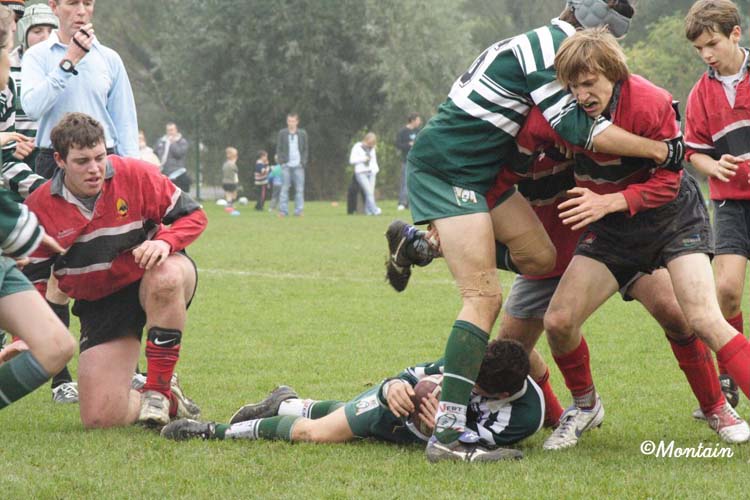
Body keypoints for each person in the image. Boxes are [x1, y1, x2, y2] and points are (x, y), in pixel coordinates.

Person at [384, 0, 686, 463]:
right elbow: (582, 130)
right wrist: (661, 151)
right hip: (451, 169)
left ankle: (421, 246)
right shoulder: (551, 46)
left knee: (540, 258)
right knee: (484, 299)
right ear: (591, 26)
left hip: (482, 174)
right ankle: (447, 436)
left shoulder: (539, 41)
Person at [539, 27, 750, 451]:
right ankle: (585, 406)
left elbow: (669, 183)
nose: (581, 95)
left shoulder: (650, 101)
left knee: (701, 318)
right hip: (612, 227)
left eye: (590, 83)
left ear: (613, 73)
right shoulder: (562, 112)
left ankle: (717, 408)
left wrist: (610, 200)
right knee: (558, 321)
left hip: (672, 217)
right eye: (573, 86)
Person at [23, 112, 207, 429]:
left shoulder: (134, 174)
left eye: (100, 157)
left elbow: (194, 215)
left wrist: (165, 242)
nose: (95, 168)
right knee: (100, 418)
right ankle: (170, 400)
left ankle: (158, 389)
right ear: (60, 161)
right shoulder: (40, 207)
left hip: (149, 276)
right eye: (82, 161)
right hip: (101, 302)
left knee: (165, 276)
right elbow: (33, 282)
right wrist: (22, 336)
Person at [162, 339, 537, 462]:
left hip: (416, 429)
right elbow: (410, 375)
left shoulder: (523, 417)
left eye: (473, 389)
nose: (463, 388)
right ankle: (214, 431)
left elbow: (472, 447)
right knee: (316, 434)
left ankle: (285, 402)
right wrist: (392, 386)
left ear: (502, 395)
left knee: (347, 419)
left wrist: (443, 425)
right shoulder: (467, 362)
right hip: (393, 406)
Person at [0, 3, 75, 414]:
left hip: (11, 216)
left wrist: (47, 199)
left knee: (56, 346)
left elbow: (6, 164)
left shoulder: (6, 91)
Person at [684, 0, 749, 412]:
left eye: (713, 44)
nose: (706, 54)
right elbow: (694, 153)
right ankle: (729, 378)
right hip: (729, 203)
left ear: (735, 33)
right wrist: (715, 166)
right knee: (725, 290)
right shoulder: (700, 94)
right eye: (699, 49)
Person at [21, 0, 138, 179]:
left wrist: (132, 172)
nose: (81, 11)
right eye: (73, 3)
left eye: (88, 4)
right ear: (54, 7)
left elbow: (125, 122)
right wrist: (68, 62)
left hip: (103, 159)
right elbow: (32, 109)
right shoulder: (36, 56)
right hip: (55, 161)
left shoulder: (110, 58)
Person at [10, 2, 58, 172]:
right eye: (37, 31)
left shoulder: (66, 70)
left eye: (51, 31)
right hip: (16, 164)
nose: (45, 37)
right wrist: (8, 145)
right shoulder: (6, 69)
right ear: (24, 33)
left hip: (57, 161)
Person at [276, 112, 308, 217]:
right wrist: (281, 162)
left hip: (298, 166)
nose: (291, 123)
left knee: (299, 189)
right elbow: (279, 148)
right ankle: (283, 211)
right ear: (287, 121)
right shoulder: (282, 133)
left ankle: (299, 211)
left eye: (293, 121)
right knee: (284, 188)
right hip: (286, 165)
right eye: (289, 121)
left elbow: (305, 149)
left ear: (297, 122)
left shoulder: (302, 133)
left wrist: (303, 162)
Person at [349, 132, 381, 216]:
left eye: (372, 143)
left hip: (372, 172)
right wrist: (363, 159)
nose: (370, 145)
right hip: (361, 173)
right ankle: (375, 210)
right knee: (369, 192)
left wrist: (375, 170)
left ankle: (368, 211)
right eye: (369, 143)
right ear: (365, 140)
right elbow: (352, 160)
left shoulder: (372, 149)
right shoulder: (357, 146)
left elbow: (374, 161)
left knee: (370, 193)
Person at [395, 112, 421, 211]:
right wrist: (408, 144)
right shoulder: (403, 132)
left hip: (417, 161)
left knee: (415, 183)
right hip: (406, 160)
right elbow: (398, 145)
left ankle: (412, 204)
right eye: (418, 120)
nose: (419, 122)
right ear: (413, 120)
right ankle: (402, 203)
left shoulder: (419, 131)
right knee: (405, 182)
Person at [154, 122, 191, 193]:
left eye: (172, 130)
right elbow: (155, 153)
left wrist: (172, 143)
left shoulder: (182, 141)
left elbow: (179, 154)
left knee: (179, 196)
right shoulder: (161, 141)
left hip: (178, 174)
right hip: (163, 173)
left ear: (176, 130)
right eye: (168, 130)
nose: (170, 132)